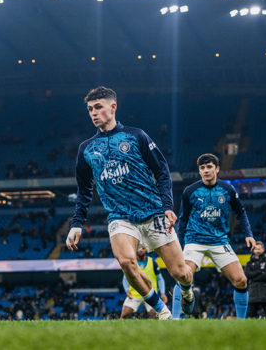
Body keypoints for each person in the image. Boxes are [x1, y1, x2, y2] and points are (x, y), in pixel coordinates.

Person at [66, 87, 194, 320]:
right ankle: (163, 313)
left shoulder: (136, 136)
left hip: (153, 212)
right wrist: (77, 223)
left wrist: (167, 206)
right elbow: (84, 189)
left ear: (113, 107)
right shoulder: (86, 149)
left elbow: (162, 171)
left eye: (98, 107)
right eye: (90, 109)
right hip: (120, 217)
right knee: (126, 261)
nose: (93, 113)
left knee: (181, 273)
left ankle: (187, 291)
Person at [172, 153, 255, 319]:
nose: (205, 170)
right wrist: (180, 246)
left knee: (241, 280)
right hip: (194, 240)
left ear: (217, 169)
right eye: (202, 168)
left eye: (209, 167)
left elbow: (240, 212)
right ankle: (174, 319)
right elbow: (183, 220)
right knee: (183, 276)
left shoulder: (228, 190)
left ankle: (242, 323)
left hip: (219, 241)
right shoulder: (190, 192)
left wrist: (248, 234)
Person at [119, 247, 167, 319]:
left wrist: (163, 293)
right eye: (139, 248)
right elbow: (125, 278)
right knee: (124, 315)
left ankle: (157, 329)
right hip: (134, 294)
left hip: (150, 293)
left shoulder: (153, 262)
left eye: (143, 248)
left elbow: (160, 279)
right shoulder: (132, 262)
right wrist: (127, 290)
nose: (141, 250)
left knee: (156, 314)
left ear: (146, 250)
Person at [245, 241, 266, 318]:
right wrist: (260, 272)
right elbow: (247, 274)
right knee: (252, 316)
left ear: (263, 249)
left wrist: (254, 277)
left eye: (259, 249)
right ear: (253, 250)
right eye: (256, 249)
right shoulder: (249, 263)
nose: (257, 250)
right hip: (253, 293)